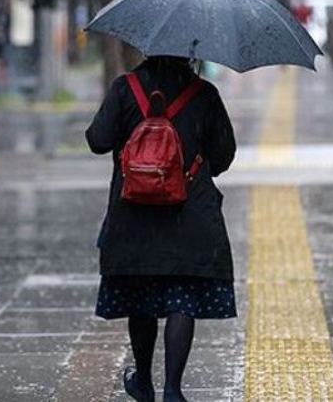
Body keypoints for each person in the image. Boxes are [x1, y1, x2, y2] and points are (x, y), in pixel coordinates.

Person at [86, 55, 236, 402]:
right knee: (181, 297)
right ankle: (173, 390)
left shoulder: (126, 88)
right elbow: (224, 155)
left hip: (133, 215)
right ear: (190, 52)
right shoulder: (204, 93)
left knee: (141, 296)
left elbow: (97, 139)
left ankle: (144, 383)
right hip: (189, 214)